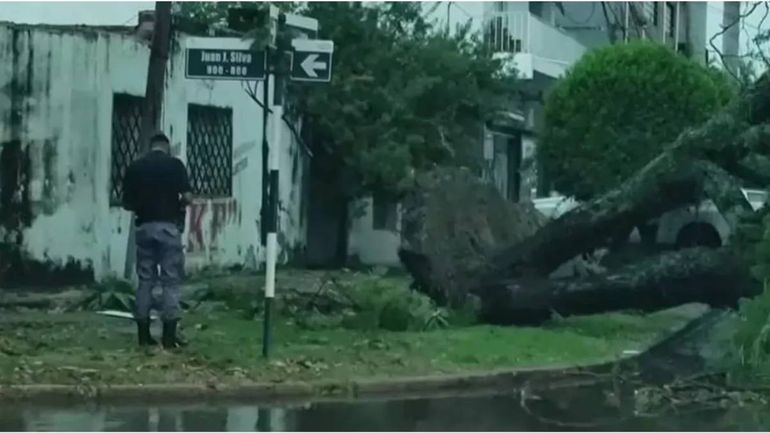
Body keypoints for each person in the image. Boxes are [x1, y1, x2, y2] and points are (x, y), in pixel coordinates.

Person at [122, 131, 193, 349]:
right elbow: (187, 197)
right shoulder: (175, 165)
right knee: (170, 281)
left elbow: (127, 203)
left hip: (144, 228)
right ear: (167, 147)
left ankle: (143, 336)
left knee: (145, 280)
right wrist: (178, 206)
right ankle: (169, 337)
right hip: (168, 228)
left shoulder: (135, 167)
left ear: (150, 146)